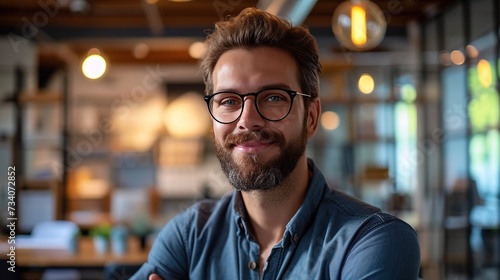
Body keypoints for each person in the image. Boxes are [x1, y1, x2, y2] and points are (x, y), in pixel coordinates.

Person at [131, 7, 420, 280]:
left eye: (273, 98)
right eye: (229, 101)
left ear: (311, 117)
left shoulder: (372, 240)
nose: (247, 120)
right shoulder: (188, 235)